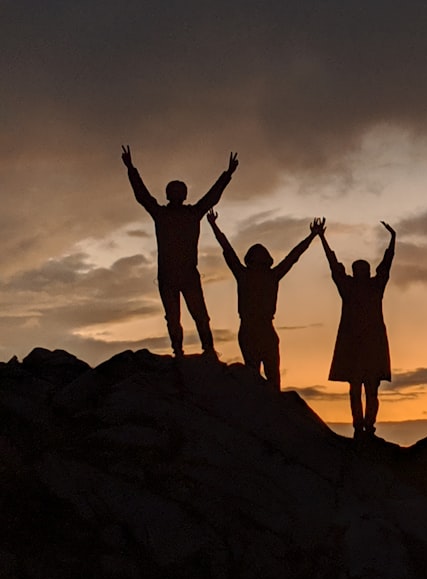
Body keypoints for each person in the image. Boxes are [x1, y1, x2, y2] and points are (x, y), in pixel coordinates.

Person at [121, 144, 238, 358]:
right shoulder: (162, 214)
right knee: (173, 317)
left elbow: (211, 198)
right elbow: (142, 195)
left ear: (184, 195)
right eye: (173, 191)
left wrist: (227, 175)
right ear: (168, 195)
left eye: (179, 191)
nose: (176, 194)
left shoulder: (191, 214)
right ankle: (178, 351)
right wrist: (131, 169)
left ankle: (208, 349)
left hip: (187, 275)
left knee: (200, 315)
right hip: (168, 276)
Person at [206, 209, 324, 389]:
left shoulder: (268, 275)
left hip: (265, 329)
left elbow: (293, 257)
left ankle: (272, 411)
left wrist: (312, 236)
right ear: (251, 259)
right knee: (254, 377)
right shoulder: (246, 274)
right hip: (250, 329)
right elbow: (227, 249)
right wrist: (214, 226)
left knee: (272, 378)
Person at [319, 221, 396, 439]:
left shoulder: (370, 286)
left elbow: (386, 264)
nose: (361, 271)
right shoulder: (353, 287)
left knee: (368, 390)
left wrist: (393, 241)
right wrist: (322, 239)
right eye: (359, 269)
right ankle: (361, 428)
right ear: (355, 272)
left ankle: (366, 428)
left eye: (363, 269)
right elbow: (334, 265)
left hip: (369, 346)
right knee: (359, 390)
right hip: (358, 346)